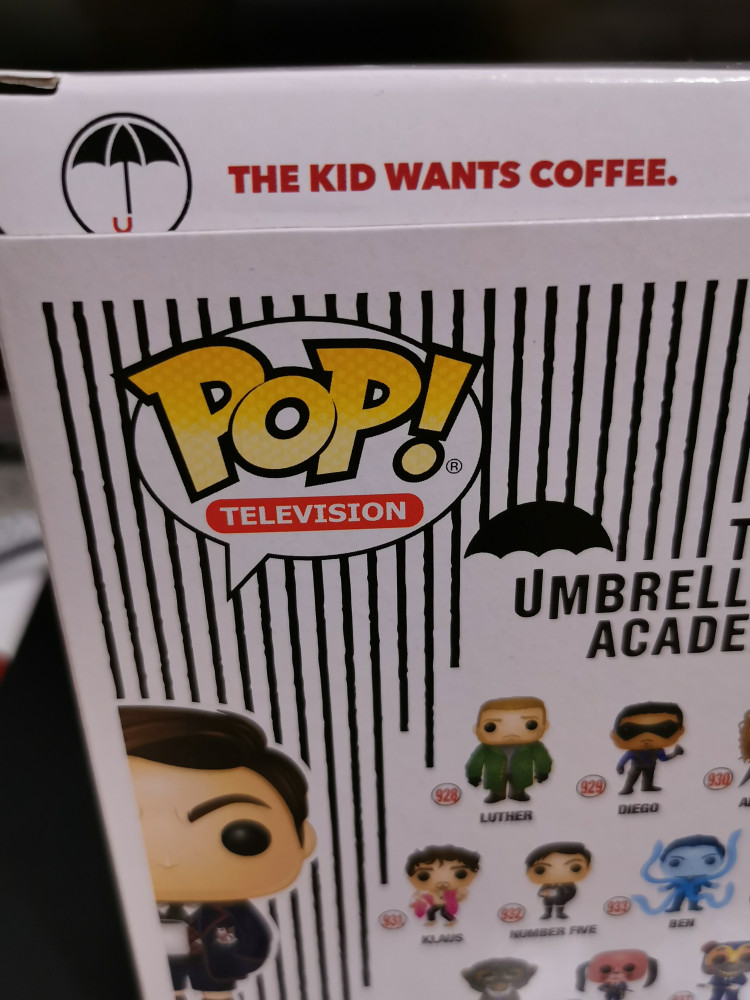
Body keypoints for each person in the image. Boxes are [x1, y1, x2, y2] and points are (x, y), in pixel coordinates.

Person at [120, 705, 316, 1000]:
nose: (168, 860)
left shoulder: (230, 911)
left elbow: (255, 939)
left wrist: (242, 961)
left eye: (241, 837)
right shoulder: (128, 908)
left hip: (215, 970)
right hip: (157, 971)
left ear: (304, 841)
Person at [465, 696, 552, 803]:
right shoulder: (485, 748)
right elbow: (476, 762)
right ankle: (497, 795)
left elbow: (542, 758)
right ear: (477, 729)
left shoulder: (534, 746)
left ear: (545, 726)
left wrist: (543, 771)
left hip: (521, 771)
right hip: (495, 772)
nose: (511, 733)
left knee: (519, 784)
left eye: (531, 725)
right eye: (491, 727)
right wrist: (473, 775)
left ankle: (518, 794)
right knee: (496, 785)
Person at [610, 701, 685, 794]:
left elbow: (663, 758)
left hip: (649, 766)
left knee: (648, 776)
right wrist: (620, 766)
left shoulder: (657, 750)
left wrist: (675, 753)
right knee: (633, 777)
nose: (647, 738)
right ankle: (628, 788)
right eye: (631, 731)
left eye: (663, 729)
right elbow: (625, 758)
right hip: (638, 766)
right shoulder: (634, 751)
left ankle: (647, 786)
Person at [406, 845, 480, 923]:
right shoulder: (427, 892)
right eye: (424, 876)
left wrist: (456, 898)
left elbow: (461, 896)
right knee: (431, 911)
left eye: (460, 874)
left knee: (443, 913)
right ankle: (432, 921)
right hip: (436, 904)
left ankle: (451, 920)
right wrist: (417, 903)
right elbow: (423, 898)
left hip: (444, 904)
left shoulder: (457, 891)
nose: (442, 882)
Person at [525, 842, 591, 919]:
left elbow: (571, 892)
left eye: (575, 868)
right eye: (540, 870)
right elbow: (541, 892)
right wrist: (542, 893)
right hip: (548, 898)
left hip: (560, 898)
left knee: (560, 903)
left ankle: (560, 913)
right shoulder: (547, 885)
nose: (557, 873)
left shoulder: (568, 885)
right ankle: (547, 913)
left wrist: (562, 893)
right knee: (547, 903)